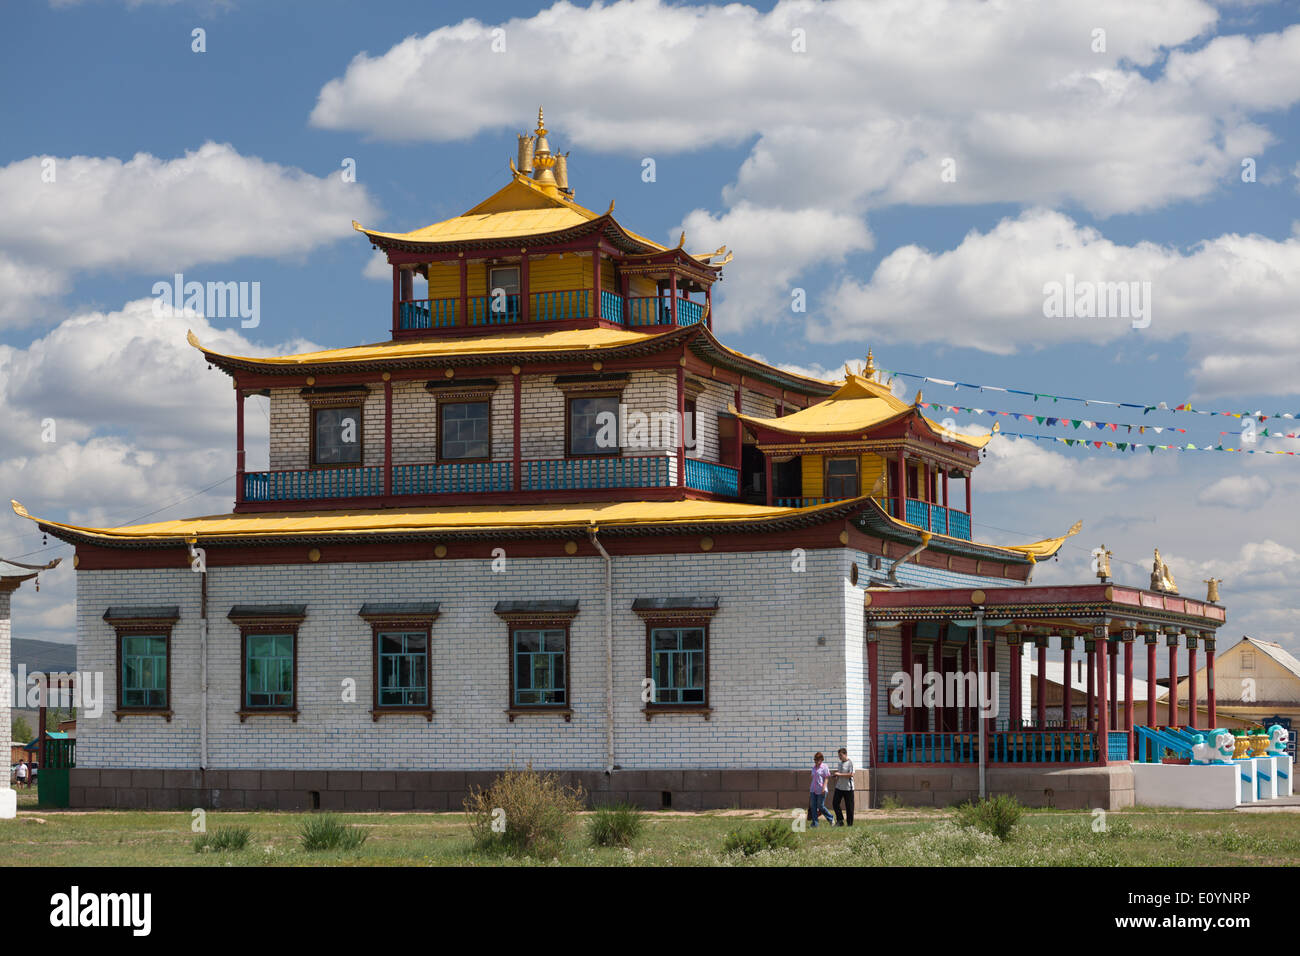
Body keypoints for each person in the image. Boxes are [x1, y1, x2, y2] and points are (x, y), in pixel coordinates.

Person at [807, 752, 835, 827]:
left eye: (817, 760)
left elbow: (826, 778)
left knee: (820, 806)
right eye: (815, 760)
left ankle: (831, 818)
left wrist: (824, 787)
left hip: (822, 789)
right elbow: (813, 778)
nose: (816, 761)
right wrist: (810, 790)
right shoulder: (813, 768)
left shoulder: (824, 767)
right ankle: (815, 823)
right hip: (813, 789)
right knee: (813, 806)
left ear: (821, 760)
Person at [831, 747, 855, 826]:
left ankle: (850, 824)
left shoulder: (850, 762)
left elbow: (851, 774)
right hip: (839, 787)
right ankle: (840, 820)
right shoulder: (840, 763)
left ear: (845, 754)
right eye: (839, 756)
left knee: (849, 807)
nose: (840, 757)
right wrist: (836, 775)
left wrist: (839, 774)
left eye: (841, 755)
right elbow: (840, 774)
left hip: (848, 788)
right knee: (835, 803)